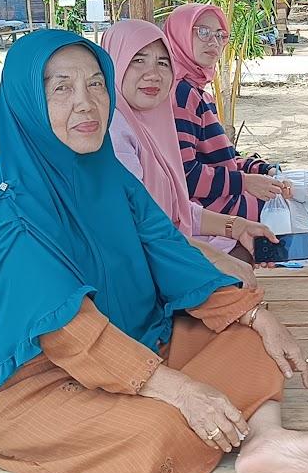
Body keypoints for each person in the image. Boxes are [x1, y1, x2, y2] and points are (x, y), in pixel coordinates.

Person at [0, 30, 308, 473]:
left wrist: (257, 315)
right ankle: (218, 426)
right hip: (28, 383)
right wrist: (180, 390)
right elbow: (69, 331)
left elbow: (171, 252)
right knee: (155, 431)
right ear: (26, 101)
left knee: (249, 340)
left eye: (96, 84)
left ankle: (265, 438)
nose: (86, 104)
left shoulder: (109, 177)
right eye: (62, 88)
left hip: (128, 343)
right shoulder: (1, 211)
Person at [102, 19, 275, 281]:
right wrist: (218, 258)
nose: (153, 74)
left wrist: (237, 227)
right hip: (141, 277)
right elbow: (141, 229)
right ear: (112, 63)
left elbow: (178, 209)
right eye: (138, 60)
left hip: (169, 255)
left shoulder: (152, 121)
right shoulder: (114, 130)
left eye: (162, 62)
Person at [162, 3, 291, 222]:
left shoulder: (199, 93)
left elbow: (223, 160)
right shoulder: (180, 95)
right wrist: (246, 182)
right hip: (210, 211)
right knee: (298, 207)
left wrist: (263, 169)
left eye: (221, 35)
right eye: (202, 32)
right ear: (179, 35)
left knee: (299, 193)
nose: (213, 42)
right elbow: (186, 175)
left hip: (223, 198)